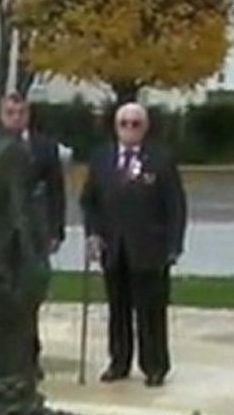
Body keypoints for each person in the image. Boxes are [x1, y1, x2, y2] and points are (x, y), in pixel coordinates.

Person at [80, 102, 187, 388]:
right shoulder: (102, 158)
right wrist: (92, 233)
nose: (129, 129)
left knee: (150, 311)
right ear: (115, 127)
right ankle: (119, 361)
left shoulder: (161, 160)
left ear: (145, 127)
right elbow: (89, 201)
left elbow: (175, 205)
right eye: (123, 123)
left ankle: (155, 365)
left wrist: (174, 245)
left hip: (150, 249)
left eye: (135, 123)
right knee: (118, 309)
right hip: (114, 248)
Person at [0, 92, 66, 377]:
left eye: (21, 112)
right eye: (10, 112)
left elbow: (55, 190)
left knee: (28, 293)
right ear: (0, 114)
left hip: (32, 229)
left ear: (28, 114)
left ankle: (27, 358)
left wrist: (55, 229)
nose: (16, 117)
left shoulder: (44, 146)